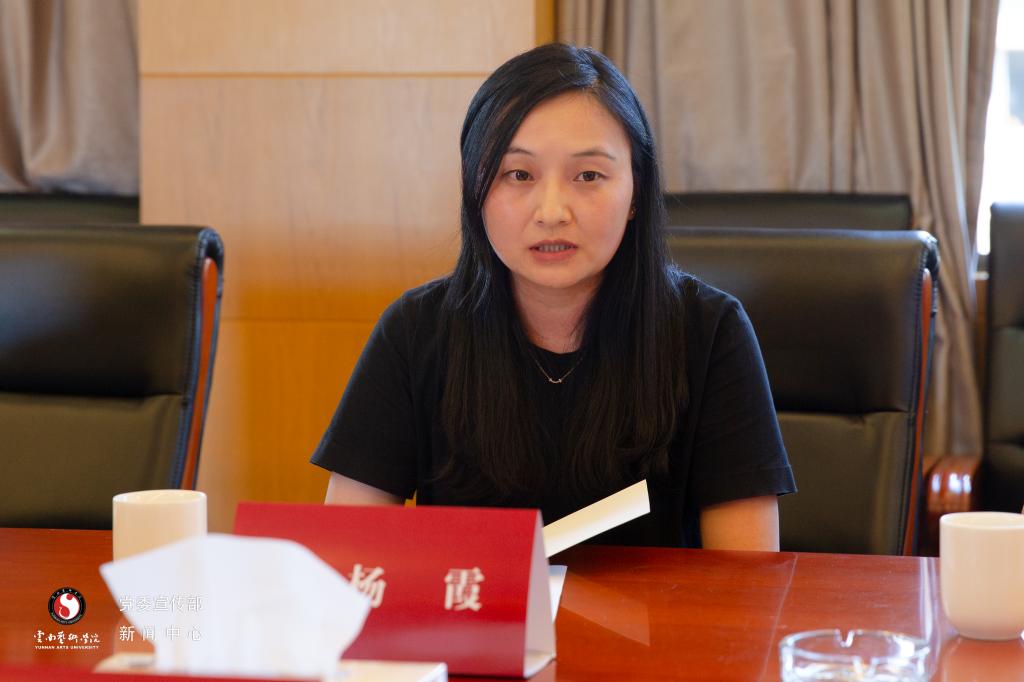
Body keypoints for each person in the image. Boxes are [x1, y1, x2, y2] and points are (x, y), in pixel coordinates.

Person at [311, 43, 795, 550]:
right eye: (518, 175)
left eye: (588, 176)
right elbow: (346, 557)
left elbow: (746, 578)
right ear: (475, 190)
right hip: (477, 606)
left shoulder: (709, 332)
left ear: (636, 191)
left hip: (663, 609)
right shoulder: (415, 332)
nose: (551, 212)